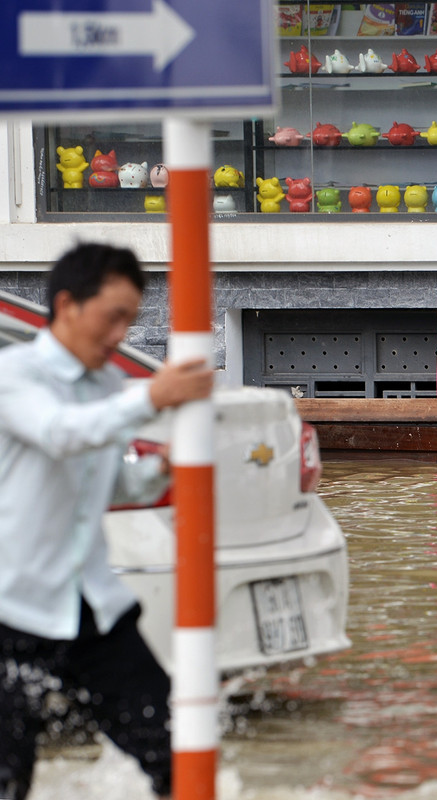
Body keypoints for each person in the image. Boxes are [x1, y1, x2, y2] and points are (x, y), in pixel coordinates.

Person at [0, 242, 214, 800]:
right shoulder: (13, 375)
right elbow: (60, 433)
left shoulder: (103, 385)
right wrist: (153, 396)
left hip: (92, 608)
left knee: (179, 755)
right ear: (68, 305)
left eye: (131, 319)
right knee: (8, 779)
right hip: (10, 611)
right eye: (112, 317)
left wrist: (158, 471)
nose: (121, 333)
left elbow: (98, 481)